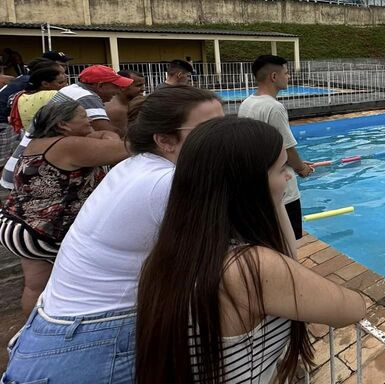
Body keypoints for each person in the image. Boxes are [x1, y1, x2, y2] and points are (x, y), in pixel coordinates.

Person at [3, 86, 223, 384]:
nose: (225, 137)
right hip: (91, 341)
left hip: (57, 335)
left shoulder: (136, 167)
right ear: (163, 140)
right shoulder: (166, 181)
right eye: (211, 130)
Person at [135, 118, 366, 383]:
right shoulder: (250, 267)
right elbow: (351, 309)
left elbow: (288, 256)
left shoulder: (171, 252)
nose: (289, 176)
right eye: (281, 169)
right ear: (249, 185)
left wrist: (269, 198)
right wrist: (271, 200)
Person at [0, 100, 128, 315]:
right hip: (45, 232)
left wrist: (98, 136)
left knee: (35, 287)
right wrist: (108, 135)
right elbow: (124, 149)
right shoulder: (68, 146)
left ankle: (31, 330)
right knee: (86, 283)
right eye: (83, 116)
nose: (89, 119)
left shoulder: (38, 143)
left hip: (18, 226)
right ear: (63, 125)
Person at [1, 65, 133, 191]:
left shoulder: (71, 90)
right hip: (24, 180)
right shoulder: (86, 97)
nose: (119, 90)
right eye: (116, 86)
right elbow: (116, 141)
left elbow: (104, 133)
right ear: (100, 85)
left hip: (18, 172)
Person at [237, 55, 314, 240]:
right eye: (286, 73)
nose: (289, 77)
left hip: (259, 183)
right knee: (288, 241)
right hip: (282, 189)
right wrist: (301, 168)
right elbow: (287, 148)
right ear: (273, 76)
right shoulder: (274, 107)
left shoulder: (247, 103)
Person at [0, 56, 67, 163]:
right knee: (4, 159)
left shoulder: (24, 80)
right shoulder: (30, 85)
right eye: (59, 72)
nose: (63, 75)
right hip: (3, 123)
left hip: (10, 122)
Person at [8, 64, 69, 134]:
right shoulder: (53, 94)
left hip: (29, 137)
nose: (65, 85)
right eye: (60, 83)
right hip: (50, 136)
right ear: (45, 84)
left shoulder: (20, 96)